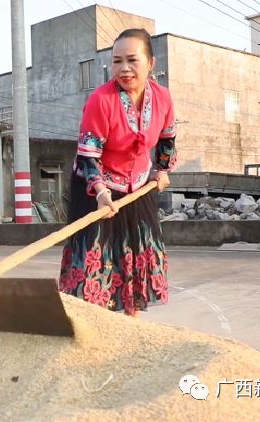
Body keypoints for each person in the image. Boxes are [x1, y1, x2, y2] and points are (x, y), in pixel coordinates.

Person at [59, 29, 177, 316]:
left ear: (151, 63)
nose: (124, 69)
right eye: (116, 61)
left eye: (132, 60)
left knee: (136, 247)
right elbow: (89, 156)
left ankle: (131, 317)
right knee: (95, 253)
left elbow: (167, 139)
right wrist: (100, 192)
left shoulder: (162, 98)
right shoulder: (101, 101)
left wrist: (161, 170)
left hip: (138, 183)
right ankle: (90, 320)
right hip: (94, 185)